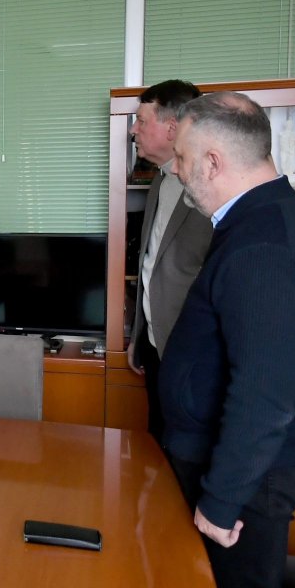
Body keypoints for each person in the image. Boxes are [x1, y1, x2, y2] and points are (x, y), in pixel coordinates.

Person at [160, 92, 295, 588]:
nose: (176, 169)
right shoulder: (268, 217)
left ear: (213, 161)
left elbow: (263, 396)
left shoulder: (262, 245)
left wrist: (221, 501)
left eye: (182, 157)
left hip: (248, 476)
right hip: (247, 464)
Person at [126, 79, 211, 444]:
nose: (133, 130)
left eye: (142, 121)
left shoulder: (208, 187)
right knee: (158, 445)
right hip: (154, 346)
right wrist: (139, 337)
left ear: (172, 127)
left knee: (185, 452)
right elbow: (150, 262)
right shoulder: (160, 181)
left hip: (193, 354)